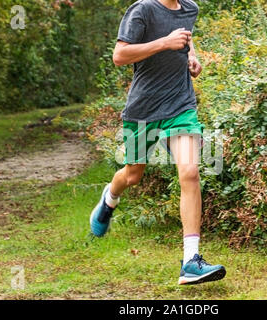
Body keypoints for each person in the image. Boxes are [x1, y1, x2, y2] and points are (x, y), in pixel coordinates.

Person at [90, 0, 226, 285]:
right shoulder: (142, 10)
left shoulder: (190, 8)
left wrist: (192, 55)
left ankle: (190, 261)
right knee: (133, 175)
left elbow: (186, 38)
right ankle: (110, 198)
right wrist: (165, 42)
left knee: (190, 173)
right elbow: (120, 55)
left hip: (181, 106)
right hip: (142, 110)